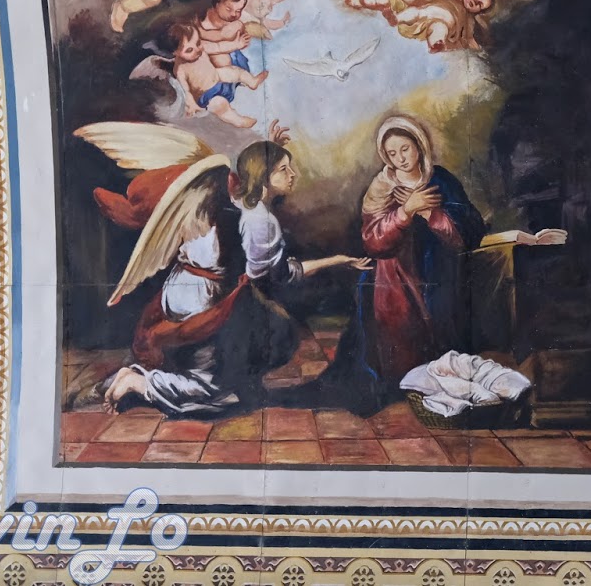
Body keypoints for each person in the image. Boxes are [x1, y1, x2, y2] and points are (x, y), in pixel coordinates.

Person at [97, 135, 371, 416]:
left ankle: (131, 379)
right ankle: (135, 381)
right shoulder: (262, 220)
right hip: (203, 299)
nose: (293, 175)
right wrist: (336, 260)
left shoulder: (233, 197)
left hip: (181, 286)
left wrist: (267, 150)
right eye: (283, 169)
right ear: (263, 175)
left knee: (219, 362)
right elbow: (274, 276)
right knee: (217, 392)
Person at [323, 114, 488, 411]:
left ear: (419, 145)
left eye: (405, 149)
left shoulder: (442, 180)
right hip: (396, 278)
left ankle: (441, 390)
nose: (400, 158)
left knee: (445, 334)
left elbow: (469, 231)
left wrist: (430, 214)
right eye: (391, 153)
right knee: (401, 339)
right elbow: (373, 241)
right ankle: (404, 391)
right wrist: (405, 212)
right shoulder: (381, 188)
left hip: (440, 272)